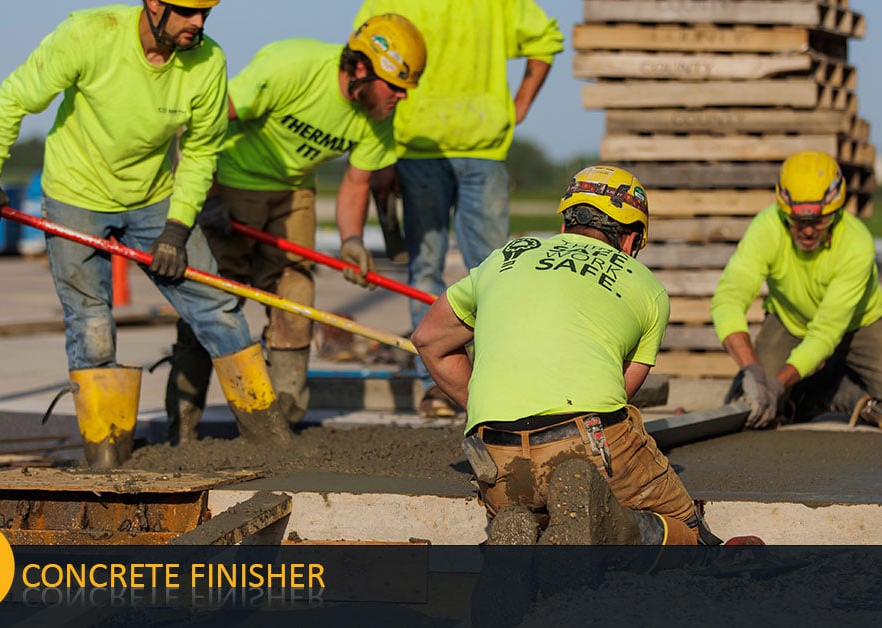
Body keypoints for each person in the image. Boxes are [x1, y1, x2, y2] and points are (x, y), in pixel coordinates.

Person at [0, 0, 294, 468]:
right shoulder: (90, 34)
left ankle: (271, 440)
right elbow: (16, 95)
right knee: (92, 325)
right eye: (187, 11)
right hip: (75, 194)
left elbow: (201, 153)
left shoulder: (208, 62)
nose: (198, 23)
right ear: (155, 4)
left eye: (206, 13)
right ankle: (108, 455)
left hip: (155, 199)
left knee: (217, 308)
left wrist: (177, 230)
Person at [411, 165, 718, 546]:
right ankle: (614, 526)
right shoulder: (648, 288)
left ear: (565, 224)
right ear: (630, 238)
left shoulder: (505, 257)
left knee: (539, 506)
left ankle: (521, 528)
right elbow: (619, 394)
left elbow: (428, 339)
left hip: (495, 451)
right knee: (685, 530)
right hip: (584, 440)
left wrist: (487, 408)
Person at [164, 14, 427, 443]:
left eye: (405, 88)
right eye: (394, 85)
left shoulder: (376, 111)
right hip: (230, 181)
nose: (400, 96)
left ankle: (278, 427)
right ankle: (182, 428)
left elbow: (357, 181)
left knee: (296, 296)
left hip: (294, 193)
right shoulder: (292, 67)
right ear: (360, 67)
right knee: (208, 300)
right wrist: (206, 197)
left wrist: (352, 240)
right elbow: (206, 124)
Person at [353, 0, 565, 419]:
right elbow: (365, 63)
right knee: (476, 272)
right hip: (424, 148)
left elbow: (546, 38)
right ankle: (444, 383)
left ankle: (473, 383)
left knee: (459, 272)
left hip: (463, 148)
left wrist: (520, 103)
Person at [710, 150, 882, 431]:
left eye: (819, 220)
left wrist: (777, 384)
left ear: (836, 211)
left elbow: (825, 332)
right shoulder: (766, 228)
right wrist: (752, 370)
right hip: (789, 320)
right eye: (798, 221)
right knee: (752, 409)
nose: (809, 231)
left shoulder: (856, 243)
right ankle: (810, 393)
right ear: (783, 209)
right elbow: (728, 299)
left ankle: (837, 390)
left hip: (858, 324)